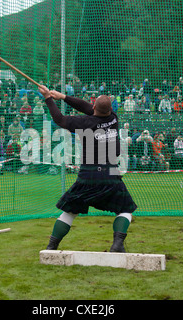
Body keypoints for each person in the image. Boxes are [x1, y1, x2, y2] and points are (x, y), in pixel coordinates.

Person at [39, 85, 137, 253]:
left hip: (87, 174)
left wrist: (49, 98)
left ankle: (52, 246)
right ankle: (117, 244)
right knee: (125, 210)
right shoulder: (113, 118)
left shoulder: (84, 123)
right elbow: (88, 107)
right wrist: (63, 96)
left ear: (94, 108)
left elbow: (60, 119)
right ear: (110, 109)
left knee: (70, 212)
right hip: (110, 173)